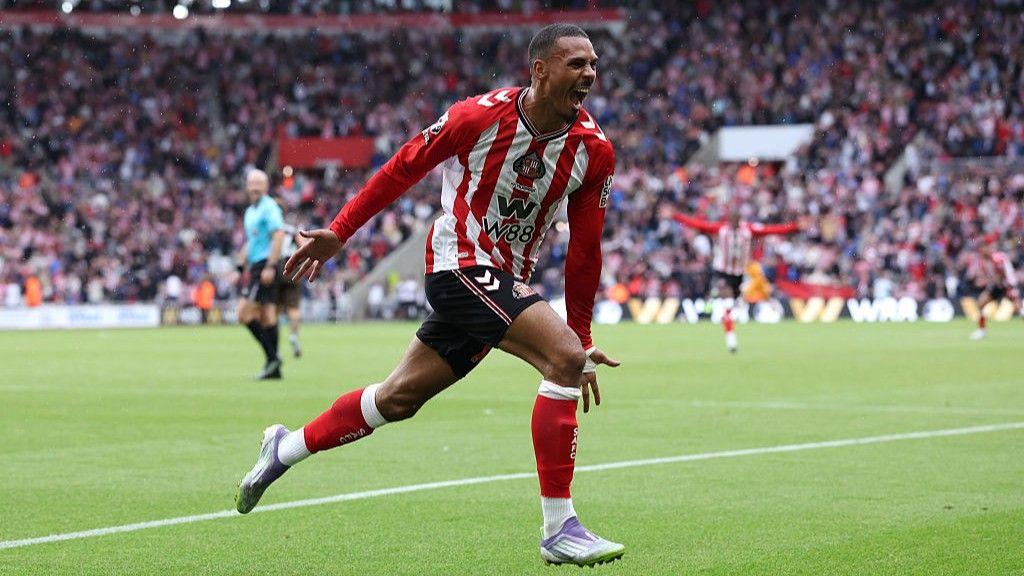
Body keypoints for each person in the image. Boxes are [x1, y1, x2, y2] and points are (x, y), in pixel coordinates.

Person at [235, 24, 624, 567]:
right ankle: (559, 529)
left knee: (397, 398)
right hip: (459, 265)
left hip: (504, 283)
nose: (589, 75)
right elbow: (402, 169)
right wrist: (340, 232)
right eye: (576, 64)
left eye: (593, 64)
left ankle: (284, 447)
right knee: (560, 360)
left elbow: (586, 251)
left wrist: (583, 334)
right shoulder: (475, 117)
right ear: (540, 71)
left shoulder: (594, 152)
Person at [670, 208, 799, 353]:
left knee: (733, 307)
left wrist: (795, 226)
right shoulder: (722, 229)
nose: (733, 220)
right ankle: (731, 340)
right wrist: (676, 216)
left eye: (735, 217)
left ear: (739, 218)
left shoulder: (748, 230)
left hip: (738, 274)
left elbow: (772, 230)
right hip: (723, 272)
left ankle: (713, 306)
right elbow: (699, 225)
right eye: (731, 217)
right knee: (728, 303)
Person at [236, 169, 285, 379]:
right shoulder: (250, 212)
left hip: (266, 264)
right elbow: (252, 241)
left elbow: (279, 234)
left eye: (259, 184)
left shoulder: (269, 207)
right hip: (256, 265)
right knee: (267, 316)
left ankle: (273, 357)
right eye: (252, 183)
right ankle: (274, 369)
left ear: (265, 187)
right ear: (247, 186)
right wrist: (240, 265)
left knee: (243, 313)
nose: (255, 187)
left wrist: (271, 266)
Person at [968, 238, 1021, 340]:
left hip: (1007, 284)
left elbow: (1000, 277)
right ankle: (982, 331)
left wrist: (985, 281)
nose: (981, 251)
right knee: (980, 303)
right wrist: (981, 280)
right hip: (996, 285)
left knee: (1019, 308)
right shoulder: (983, 261)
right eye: (980, 249)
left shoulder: (998, 258)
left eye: (983, 248)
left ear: (988, 248)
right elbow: (986, 276)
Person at [277, 216, 304, 358]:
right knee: (293, 309)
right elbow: (304, 246)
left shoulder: (275, 229)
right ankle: (293, 336)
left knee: (274, 310)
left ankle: (276, 347)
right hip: (292, 268)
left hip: (278, 268)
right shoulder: (294, 230)